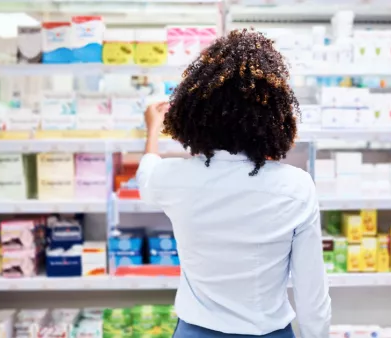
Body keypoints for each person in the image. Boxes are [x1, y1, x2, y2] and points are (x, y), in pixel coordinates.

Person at [135, 29, 331, 338]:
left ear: (195, 111)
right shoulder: (295, 187)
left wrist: (153, 129)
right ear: (275, 116)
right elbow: (312, 295)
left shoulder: (174, 178)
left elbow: (146, 175)